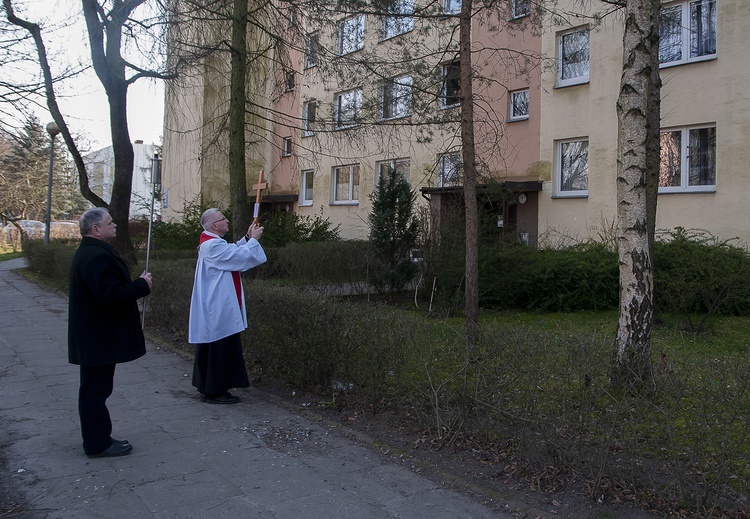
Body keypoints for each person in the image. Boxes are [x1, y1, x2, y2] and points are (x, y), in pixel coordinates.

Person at [68, 207, 152, 458]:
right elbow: (110, 296)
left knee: (96, 389)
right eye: (109, 222)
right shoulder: (96, 257)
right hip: (98, 337)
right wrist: (141, 285)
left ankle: (99, 437)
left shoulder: (91, 252)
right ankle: (97, 443)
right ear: (95, 229)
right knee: (95, 391)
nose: (115, 225)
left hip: (95, 336)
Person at [188, 208, 266, 404]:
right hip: (218, 305)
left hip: (217, 302)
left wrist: (247, 237)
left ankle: (211, 387)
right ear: (214, 225)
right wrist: (254, 240)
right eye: (223, 219)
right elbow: (237, 257)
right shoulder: (211, 246)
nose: (227, 220)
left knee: (217, 345)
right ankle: (216, 390)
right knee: (219, 346)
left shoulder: (212, 242)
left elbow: (232, 250)